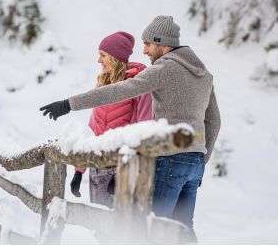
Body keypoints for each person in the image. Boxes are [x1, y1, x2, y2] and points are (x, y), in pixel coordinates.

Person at [40, 15, 221, 242]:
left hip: (169, 160)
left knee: (151, 229)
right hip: (194, 164)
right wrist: (201, 159)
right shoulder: (203, 73)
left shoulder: (165, 68)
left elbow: (120, 90)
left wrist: (69, 104)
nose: (144, 50)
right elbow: (214, 121)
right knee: (183, 229)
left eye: (147, 44)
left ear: (162, 42)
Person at [69, 31, 153, 208]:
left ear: (115, 58)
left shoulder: (139, 86)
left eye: (103, 55)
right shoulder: (103, 86)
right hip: (97, 170)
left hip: (122, 171)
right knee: (100, 231)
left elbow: (143, 130)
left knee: (122, 231)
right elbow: (92, 130)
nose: (99, 60)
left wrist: (125, 170)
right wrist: (79, 171)